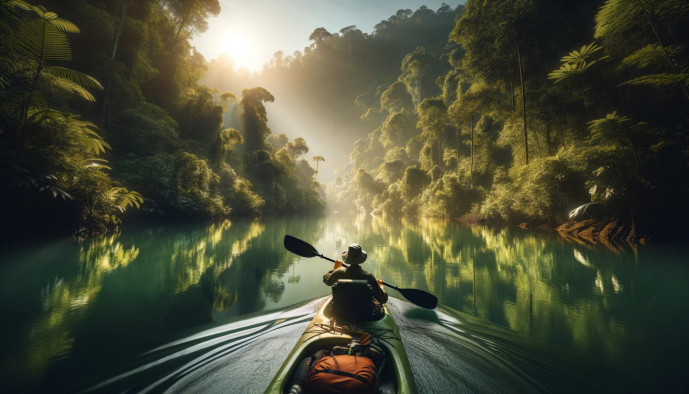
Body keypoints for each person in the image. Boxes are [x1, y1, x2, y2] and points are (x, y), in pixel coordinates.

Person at [323, 244, 388, 321]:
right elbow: (383, 299)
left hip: (341, 314)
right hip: (364, 316)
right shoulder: (368, 276)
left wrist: (333, 269)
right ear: (361, 258)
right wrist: (381, 286)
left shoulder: (338, 273)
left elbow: (326, 281)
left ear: (348, 258)